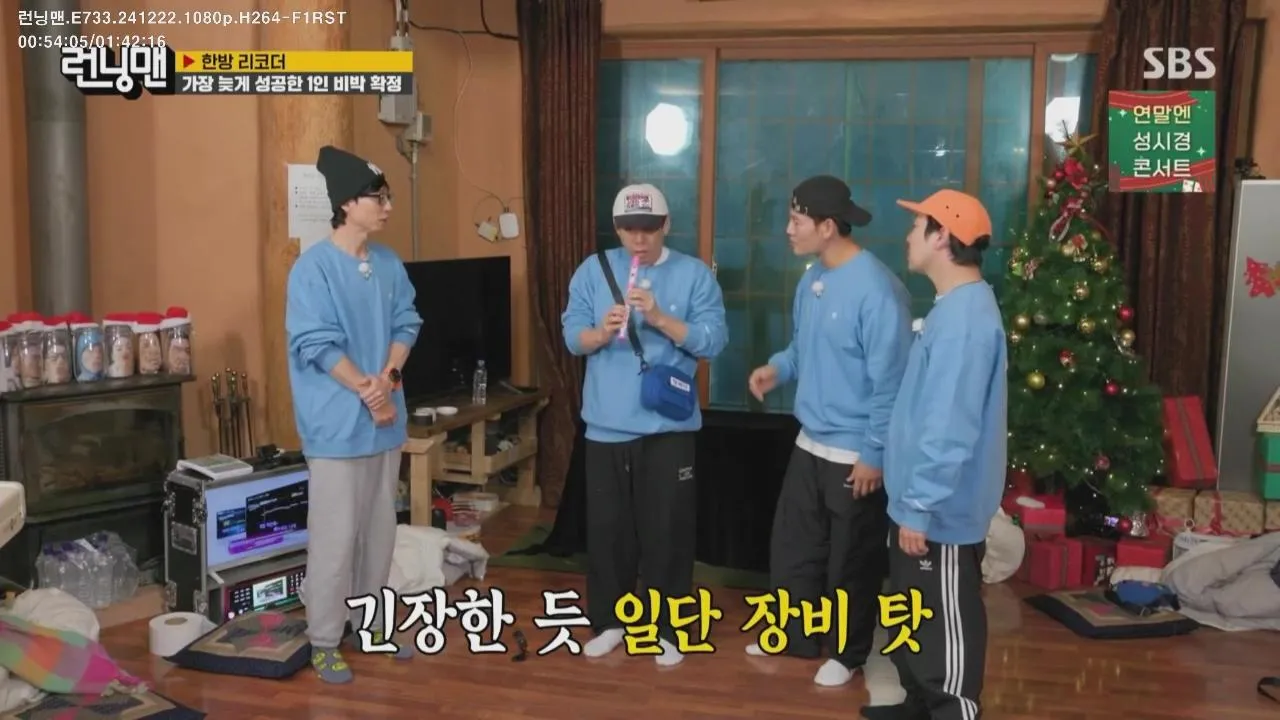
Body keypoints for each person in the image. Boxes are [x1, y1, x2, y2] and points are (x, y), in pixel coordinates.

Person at [746, 175, 913, 687]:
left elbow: (891, 384)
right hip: (809, 441)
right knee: (794, 549)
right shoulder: (812, 278)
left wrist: (874, 453)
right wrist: (777, 369)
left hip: (855, 452)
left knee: (851, 563)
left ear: (827, 226)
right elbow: (802, 347)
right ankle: (795, 634)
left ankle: (848, 652)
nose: (787, 229)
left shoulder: (878, 291)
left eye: (796, 220)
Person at [561, 183, 728, 667]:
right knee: (608, 532)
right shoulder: (593, 270)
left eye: (649, 229)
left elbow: (713, 340)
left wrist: (658, 317)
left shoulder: (694, 275)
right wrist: (601, 333)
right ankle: (610, 622)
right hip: (605, 426)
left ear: (666, 225)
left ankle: (669, 628)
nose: (640, 239)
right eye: (630, 229)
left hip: (668, 429)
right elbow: (572, 336)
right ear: (617, 229)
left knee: (668, 532)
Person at [862, 189, 1006, 720]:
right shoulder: (952, 310)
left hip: (940, 510)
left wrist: (921, 504)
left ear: (942, 235)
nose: (908, 236)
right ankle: (919, 704)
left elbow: (949, 426)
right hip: (918, 502)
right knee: (917, 612)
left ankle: (951, 709)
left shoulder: (966, 322)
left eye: (916, 225)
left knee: (944, 618)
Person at [285, 146, 423, 684]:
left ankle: (371, 627)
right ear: (347, 203)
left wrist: (387, 378)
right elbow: (316, 343)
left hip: (384, 422)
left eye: (388, 196)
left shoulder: (388, 263)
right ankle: (324, 639)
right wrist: (366, 389)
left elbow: (406, 323)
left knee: (379, 533)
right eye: (377, 197)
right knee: (335, 537)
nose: (387, 206)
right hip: (336, 426)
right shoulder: (312, 268)